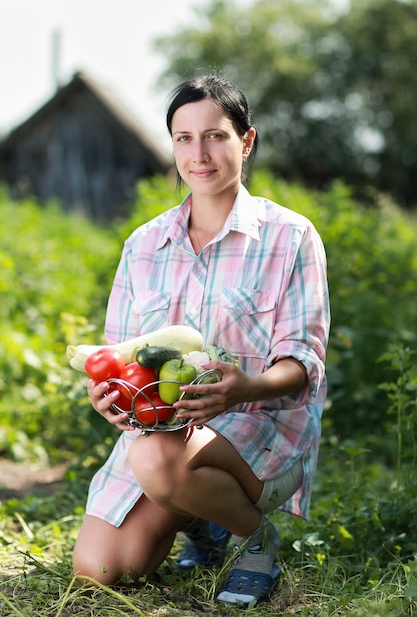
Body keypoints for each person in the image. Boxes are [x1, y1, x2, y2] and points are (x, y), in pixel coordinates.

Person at [73, 74, 330, 607]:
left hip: (259, 426)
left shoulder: (290, 236)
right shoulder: (144, 245)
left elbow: (304, 359)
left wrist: (244, 388)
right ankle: (204, 522)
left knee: (158, 461)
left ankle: (254, 538)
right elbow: (119, 354)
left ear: (247, 141)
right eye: (184, 138)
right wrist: (108, 395)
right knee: (100, 570)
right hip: (163, 429)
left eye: (215, 135)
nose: (200, 153)